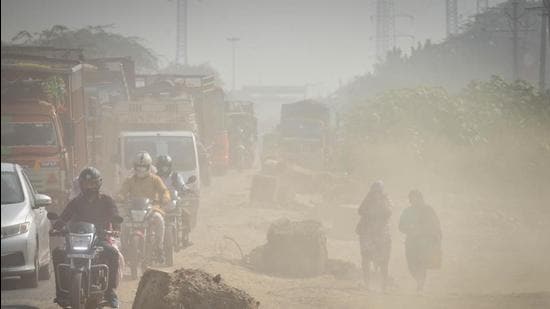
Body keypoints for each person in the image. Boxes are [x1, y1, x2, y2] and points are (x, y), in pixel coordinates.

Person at [51, 167, 121, 308]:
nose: (89, 187)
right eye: (86, 184)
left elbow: (114, 215)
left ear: (98, 184)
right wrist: (56, 227)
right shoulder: (76, 202)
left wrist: (116, 228)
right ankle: (61, 293)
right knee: (58, 252)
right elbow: (65, 217)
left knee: (113, 253)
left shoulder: (107, 200)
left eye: (92, 184)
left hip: (99, 238)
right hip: (76, 239)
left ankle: (110, 292)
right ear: (81, 185)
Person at [117, 151, 170, 262]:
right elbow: (122, 191)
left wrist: (165, 198)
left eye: (144, 167)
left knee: (160, 219)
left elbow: (164, 190)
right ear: (134, 167)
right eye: (138, 166)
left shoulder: (155, 179)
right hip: (132, 211)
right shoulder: (129, 180)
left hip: (151, 209)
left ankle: (159, 248)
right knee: (123, 223)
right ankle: (124, 249)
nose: (141, 169)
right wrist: (120, 197)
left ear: (149, 167)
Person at [399, 190, 442, 292]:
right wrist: (409, 228)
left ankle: (420, 284)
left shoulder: (428, 210)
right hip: (411, 242)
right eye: (411, 198)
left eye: (415, 198)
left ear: (420, 198)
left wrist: (436, 238)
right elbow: (400, 226)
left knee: (422, 264)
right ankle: (419, 281)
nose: (413, 200)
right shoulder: (407, 211)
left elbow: (436, 224)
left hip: (425, 243)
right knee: (411, 264)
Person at [355, 180, 392, 291]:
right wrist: (369, 213)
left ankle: (383, 285)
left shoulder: (385, 200)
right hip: (367, 234)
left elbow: (389, 212)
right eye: (374, 190)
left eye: (378, 191)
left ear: (381, 191)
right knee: (366, 259)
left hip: (382, 234)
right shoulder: (368, 199)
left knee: (383, 261)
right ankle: (367, 284)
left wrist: (379, 210)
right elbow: (360, 210)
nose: (376, 193)